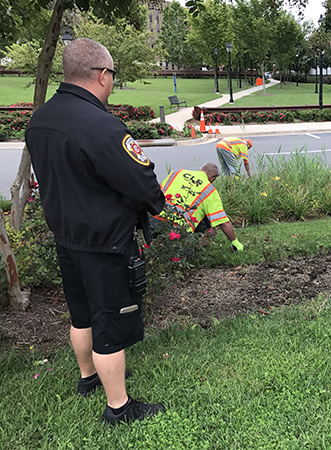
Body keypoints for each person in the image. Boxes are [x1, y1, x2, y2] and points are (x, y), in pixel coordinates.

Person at [25, 38, 166, 424]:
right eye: (113, 76)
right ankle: (119, 406)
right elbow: (142, 183)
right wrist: (155, 203)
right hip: (105, 241)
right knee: (109, 321)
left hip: (66, 237)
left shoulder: (40, 119)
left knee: (81, 314)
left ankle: (89, 378)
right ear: (102, 74)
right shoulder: (101, 125)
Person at [153, 163, 244, 251]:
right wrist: (235, 242)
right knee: (212, 228)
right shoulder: (209, 190)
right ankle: (195, 247)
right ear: (212, 178)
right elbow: (223, 222)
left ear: (200, 170)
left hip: (153, 218)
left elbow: (157, 192)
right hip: (178, 229)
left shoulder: (176, 173)